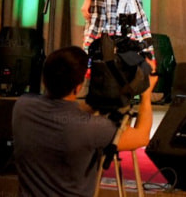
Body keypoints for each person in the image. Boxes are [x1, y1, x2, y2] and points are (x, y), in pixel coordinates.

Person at [12, 46, 158, 197]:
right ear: (79, 87)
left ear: (44, 78)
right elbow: (142, 137)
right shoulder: (93, 128)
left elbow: (68, 110)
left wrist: (100, 100)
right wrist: (146, 95)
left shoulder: (22, 107)